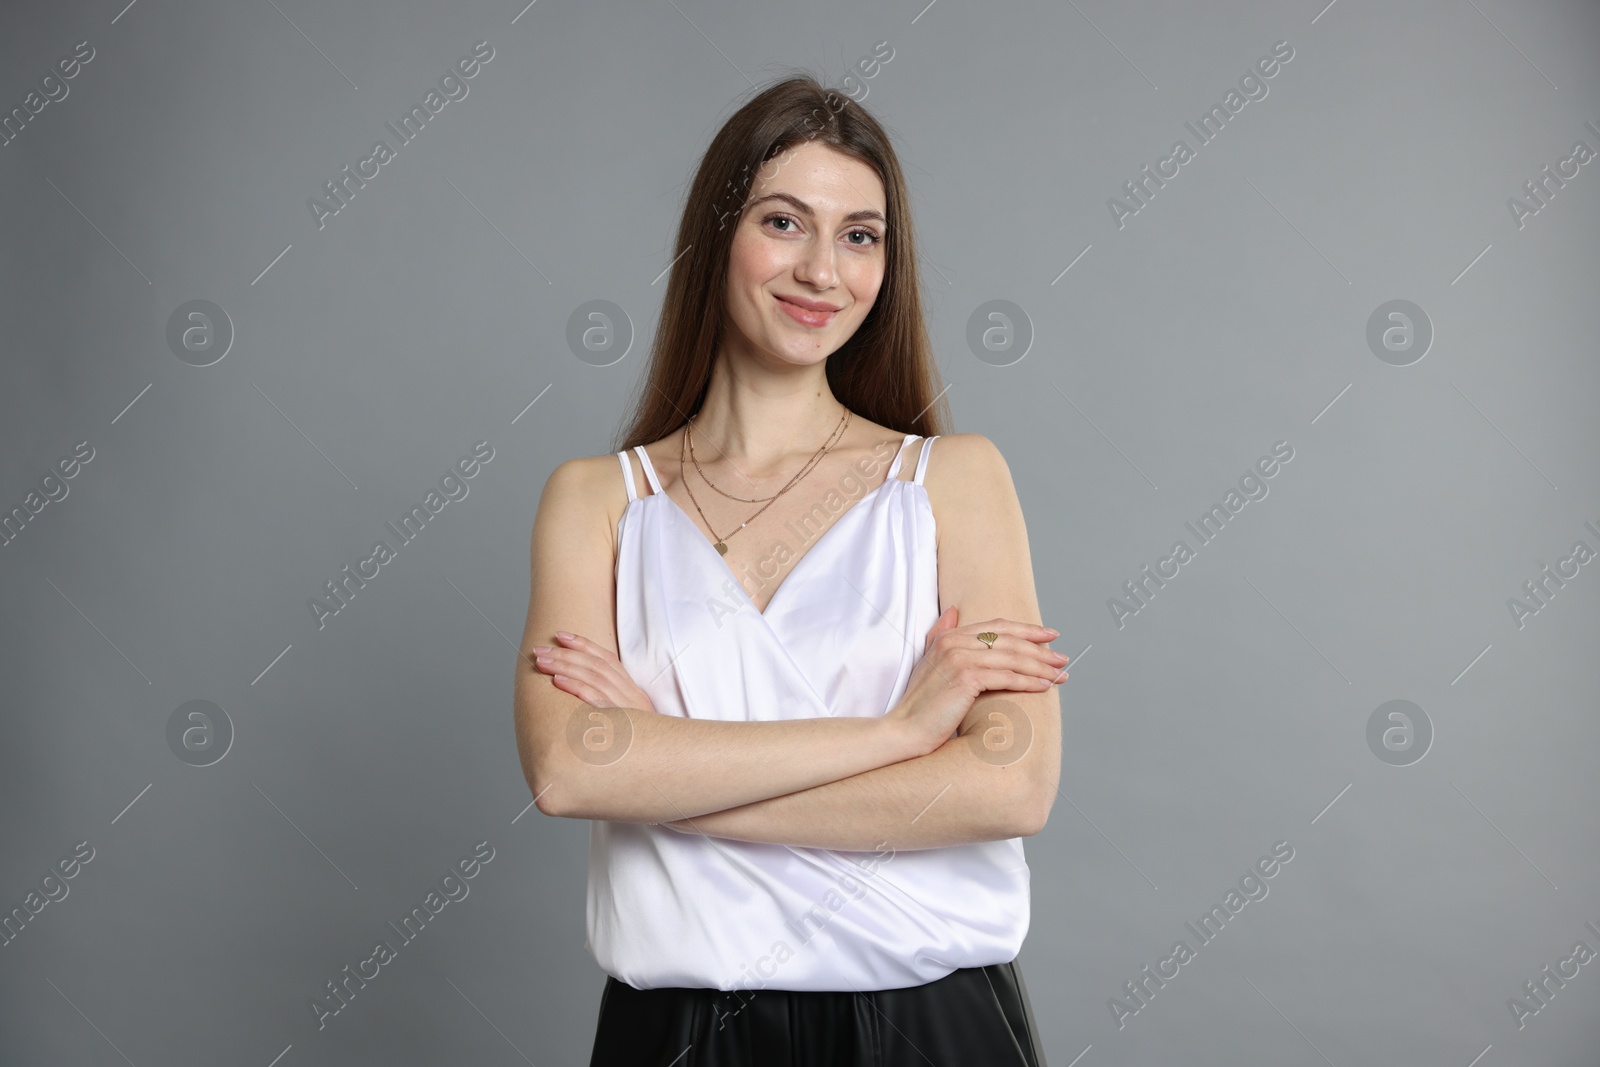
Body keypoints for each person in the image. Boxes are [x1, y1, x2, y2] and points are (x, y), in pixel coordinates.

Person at [513, 73, 1067, 1066]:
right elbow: (567, 768)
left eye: (860, 235)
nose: (823, 269)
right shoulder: (596, 499)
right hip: (679, 1034)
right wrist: (899, 734)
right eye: (784, 221)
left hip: (930, 1027)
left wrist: (659, 767)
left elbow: (1008, 788)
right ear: (715, 235)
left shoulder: (955, 479)